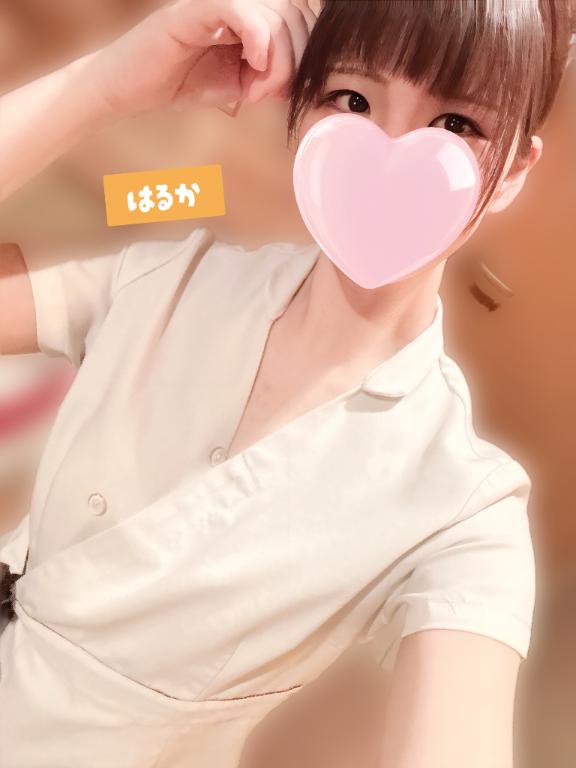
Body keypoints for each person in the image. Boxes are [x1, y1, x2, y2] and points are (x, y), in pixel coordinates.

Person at [0, 1, 573, 766]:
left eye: (456, 124)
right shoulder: (172, 269)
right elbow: (150, 192)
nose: (388, 154)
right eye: (353, 100)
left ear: (514, 172)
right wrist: (103, 85)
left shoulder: (465, 509)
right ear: (299, 108)